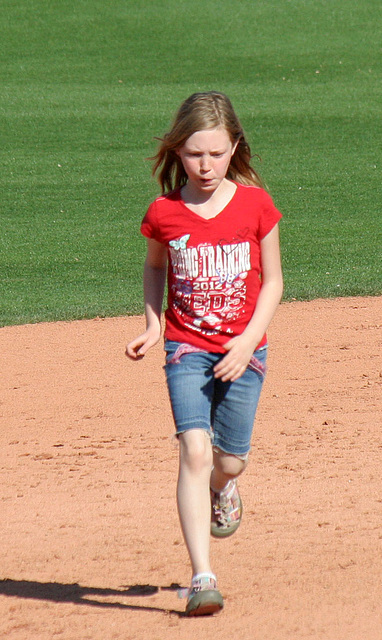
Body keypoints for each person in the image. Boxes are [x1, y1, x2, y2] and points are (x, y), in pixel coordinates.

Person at [126, 91, 283, 616]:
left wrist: (247, 340)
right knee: (193, 448)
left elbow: (275, 282)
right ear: (177, 152)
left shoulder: (256, 204)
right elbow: (154, 268)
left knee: (229, 460)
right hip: (186, 345)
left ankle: (224, 488)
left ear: (233, 146)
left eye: (216, 153)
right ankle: (202, 576)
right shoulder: (166, 212)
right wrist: (154, 323)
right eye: (195, 154)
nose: (206, 165)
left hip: (245, 347)